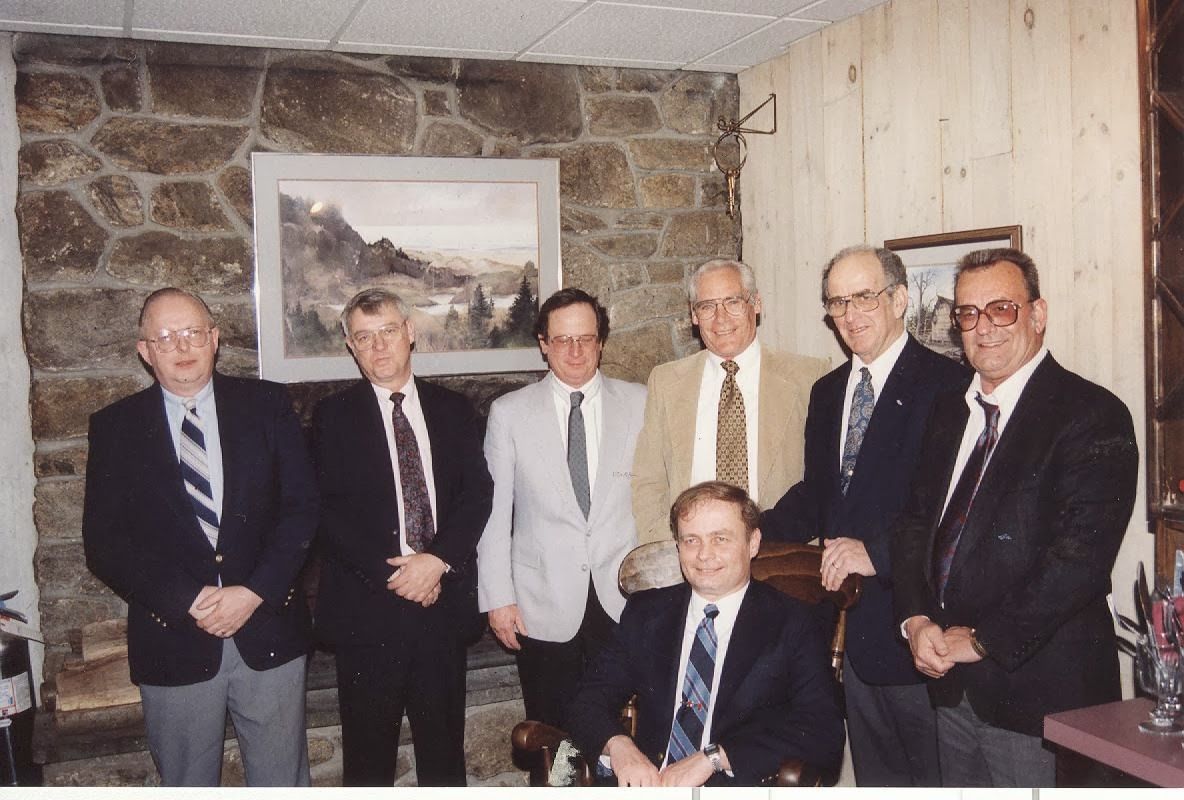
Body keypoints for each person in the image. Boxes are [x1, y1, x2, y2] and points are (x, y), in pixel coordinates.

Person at [891, 249, 1138, 787]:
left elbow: (1078, 564)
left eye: (1001, 309)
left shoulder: (1091, 415)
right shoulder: (948, 411)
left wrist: (978, 640)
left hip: (1039, 696)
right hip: (950, 688)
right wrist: (916, 620)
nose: (984, 328)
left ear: (1038, 314)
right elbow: (913, 527)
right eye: (968, 313)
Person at [82, 288, 317, 786]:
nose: (181, 346)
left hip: (268, 627)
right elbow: (104, 543)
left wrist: (253, 592)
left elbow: (302, 509)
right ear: (144, 351)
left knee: (283, 783)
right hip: (173, 639)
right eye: (165, 337)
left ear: (214, 339)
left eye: (192, 332)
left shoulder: (268, 405)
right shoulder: (115, 428)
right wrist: (186, 599)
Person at [762, 245, 969, 786]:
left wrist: (875, 552)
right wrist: (754, 532)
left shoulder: (949, 385)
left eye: (864, 297)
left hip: (916, 626)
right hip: (847, 632)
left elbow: (951, 506)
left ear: (899, 299)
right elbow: (818, 492)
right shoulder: (828, 392)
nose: (851, 315)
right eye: (837, 302)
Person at [311, 288, 493, 786]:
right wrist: (399, 574)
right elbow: (325, 513)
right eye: (364, 337)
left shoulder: (454, 410)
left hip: (442, 611)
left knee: (443, 762)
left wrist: (436, 562)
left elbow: (477, 494)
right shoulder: (332, 418)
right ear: (350, 346)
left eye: (388, 331)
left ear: (410, 333)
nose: (379, 347)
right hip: (367, 615)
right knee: (368, 766)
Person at [566, 481, 845, 787]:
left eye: (720, 539)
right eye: (691, 540)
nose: (704, 555)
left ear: (753, 543)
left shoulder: (793, 621)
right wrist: (620, 747)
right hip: (649, 782)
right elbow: (587, 699)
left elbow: (824, 732)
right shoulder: (647, 613)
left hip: (734, 784)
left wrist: (715, 757)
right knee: (564, 777)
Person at [476, 288, 646, 727]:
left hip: (625, 599)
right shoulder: (509, 414)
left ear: (601, 343)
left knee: (623, 729)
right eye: (563, 340)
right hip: (542, 604)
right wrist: (499, 598)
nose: (575, 351)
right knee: (557, 738)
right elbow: (494, 516)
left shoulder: (641, 403)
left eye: (586, 339)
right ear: (543, 344)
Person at [632, 259, 828, 544]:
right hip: (691, 560)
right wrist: (670, 547)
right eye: (707, 306)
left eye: (733, 302)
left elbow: (821, 482)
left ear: (756, 304)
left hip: (781, 556)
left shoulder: (810, 377)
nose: (720, 319)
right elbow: (649, 479)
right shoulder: (665, 382)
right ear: (694, 315)